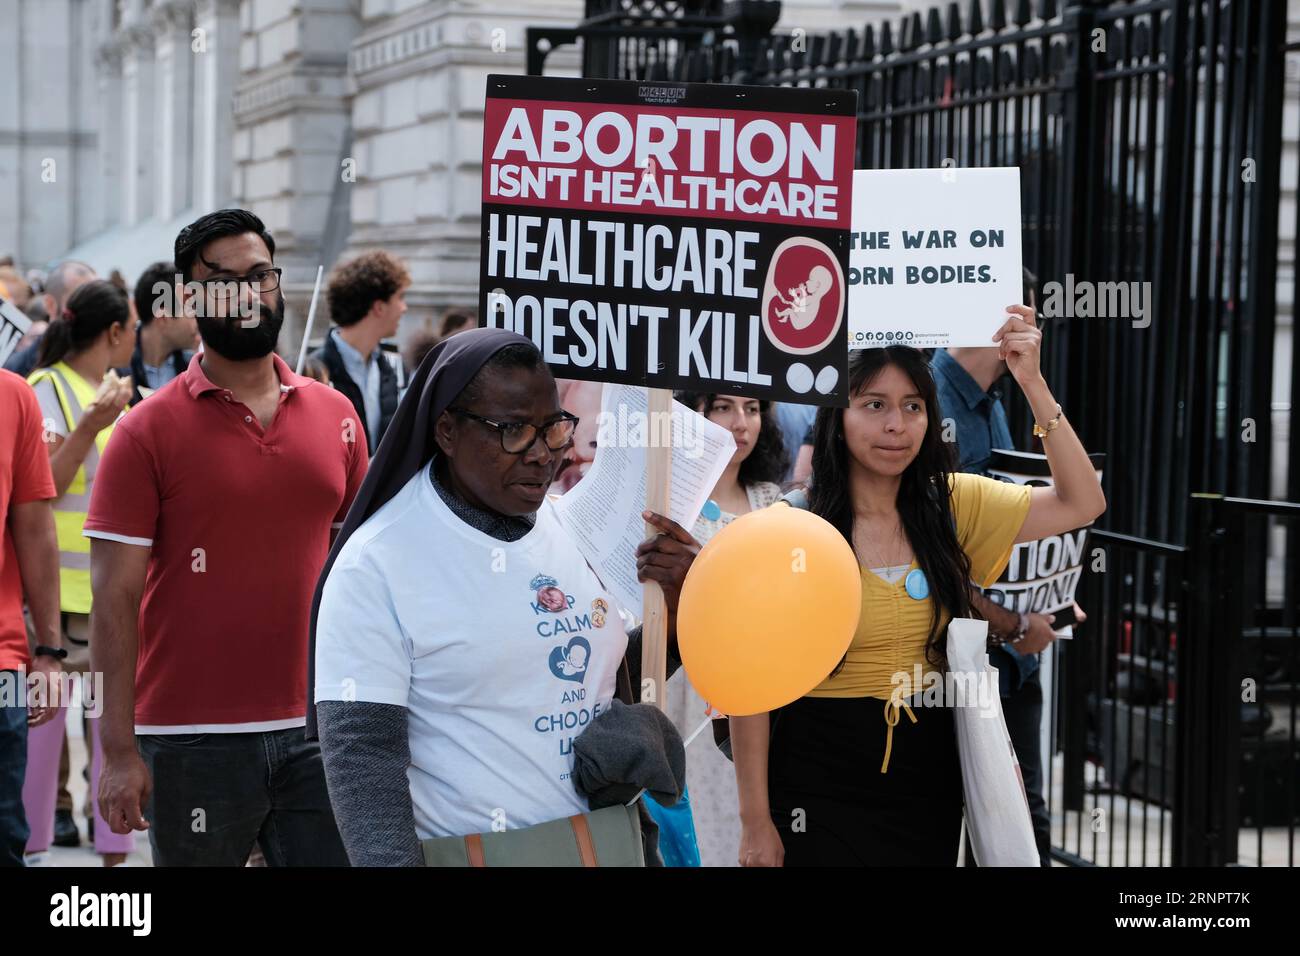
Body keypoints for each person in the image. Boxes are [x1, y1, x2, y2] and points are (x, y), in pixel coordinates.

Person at [310, 328, 700, 866]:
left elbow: (594, 680)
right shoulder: (377, 563)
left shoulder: (568, 526)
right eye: (514, 431)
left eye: (554, 429)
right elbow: (362, 755)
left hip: (602, 845)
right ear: (447, 429)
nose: (543, 455)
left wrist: (677, 616)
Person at [733, 305, 1106, 866]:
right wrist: (755, 823)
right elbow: (750, 686)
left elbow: (1084, 501)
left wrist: (1032, 382)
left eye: (913, 407)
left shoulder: (952, 504)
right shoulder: (795, 526)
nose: (896, 426)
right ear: (838, 415)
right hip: (814, 780)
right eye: (874, 405)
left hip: (926, 781)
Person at [88, 209, 368, 866]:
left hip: (318, 731)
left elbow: (364, 570)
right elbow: (114, 601)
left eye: (261, 275)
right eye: (225, 281)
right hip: (190, 742)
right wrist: (118, 750)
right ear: (190, 298)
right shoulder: (142, 433)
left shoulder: (338, 417)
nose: (248, 293)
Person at [929, 268, 1079, 865]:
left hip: (1011, 661)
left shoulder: (994, 400)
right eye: (1025, 314)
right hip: (965, 656)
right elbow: (935, 559)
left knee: (1021, 828)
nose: (1034, 328)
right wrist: (1015, 626)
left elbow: (1035, 512)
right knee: (986, 828)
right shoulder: (931, 402)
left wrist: (1050, 593)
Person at [22, 280, 136, 866]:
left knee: (112, 729)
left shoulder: (116, 394)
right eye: (132, 327)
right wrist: (92, 424)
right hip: (57, 603)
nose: (136, 338)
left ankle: (115, 854)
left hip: (109, 595)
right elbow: (42, 488)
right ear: (113, 333)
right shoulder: (46, 390)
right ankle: (37, 846)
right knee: (44, 733)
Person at [663, 392, 787, 867]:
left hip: (757, 699)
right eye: (722, 407)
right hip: (683, 694)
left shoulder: (775, 503)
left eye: (753, 408)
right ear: (691, 415)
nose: (740, 422)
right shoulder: (668, 504)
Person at [0, 371, 61, 867]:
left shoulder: (14, 396)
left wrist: (48, 652)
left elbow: (36, 528)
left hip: (2, 667)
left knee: (4, 834)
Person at [312, 250, 409, 453]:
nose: (404, 308)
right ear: (379, 307)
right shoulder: (312, 371)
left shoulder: (396, 368)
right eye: (400, 297)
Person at [122, 261, 199, 404]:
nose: (198, 317)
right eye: (190, 308)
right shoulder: (117, 374)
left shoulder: (196, 366)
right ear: (163, 317)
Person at [4, 261, 97, 377]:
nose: (95, 309)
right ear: (50, 305)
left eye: (98, 298)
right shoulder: (18, 369)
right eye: (82, 300)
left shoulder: (108, 355)